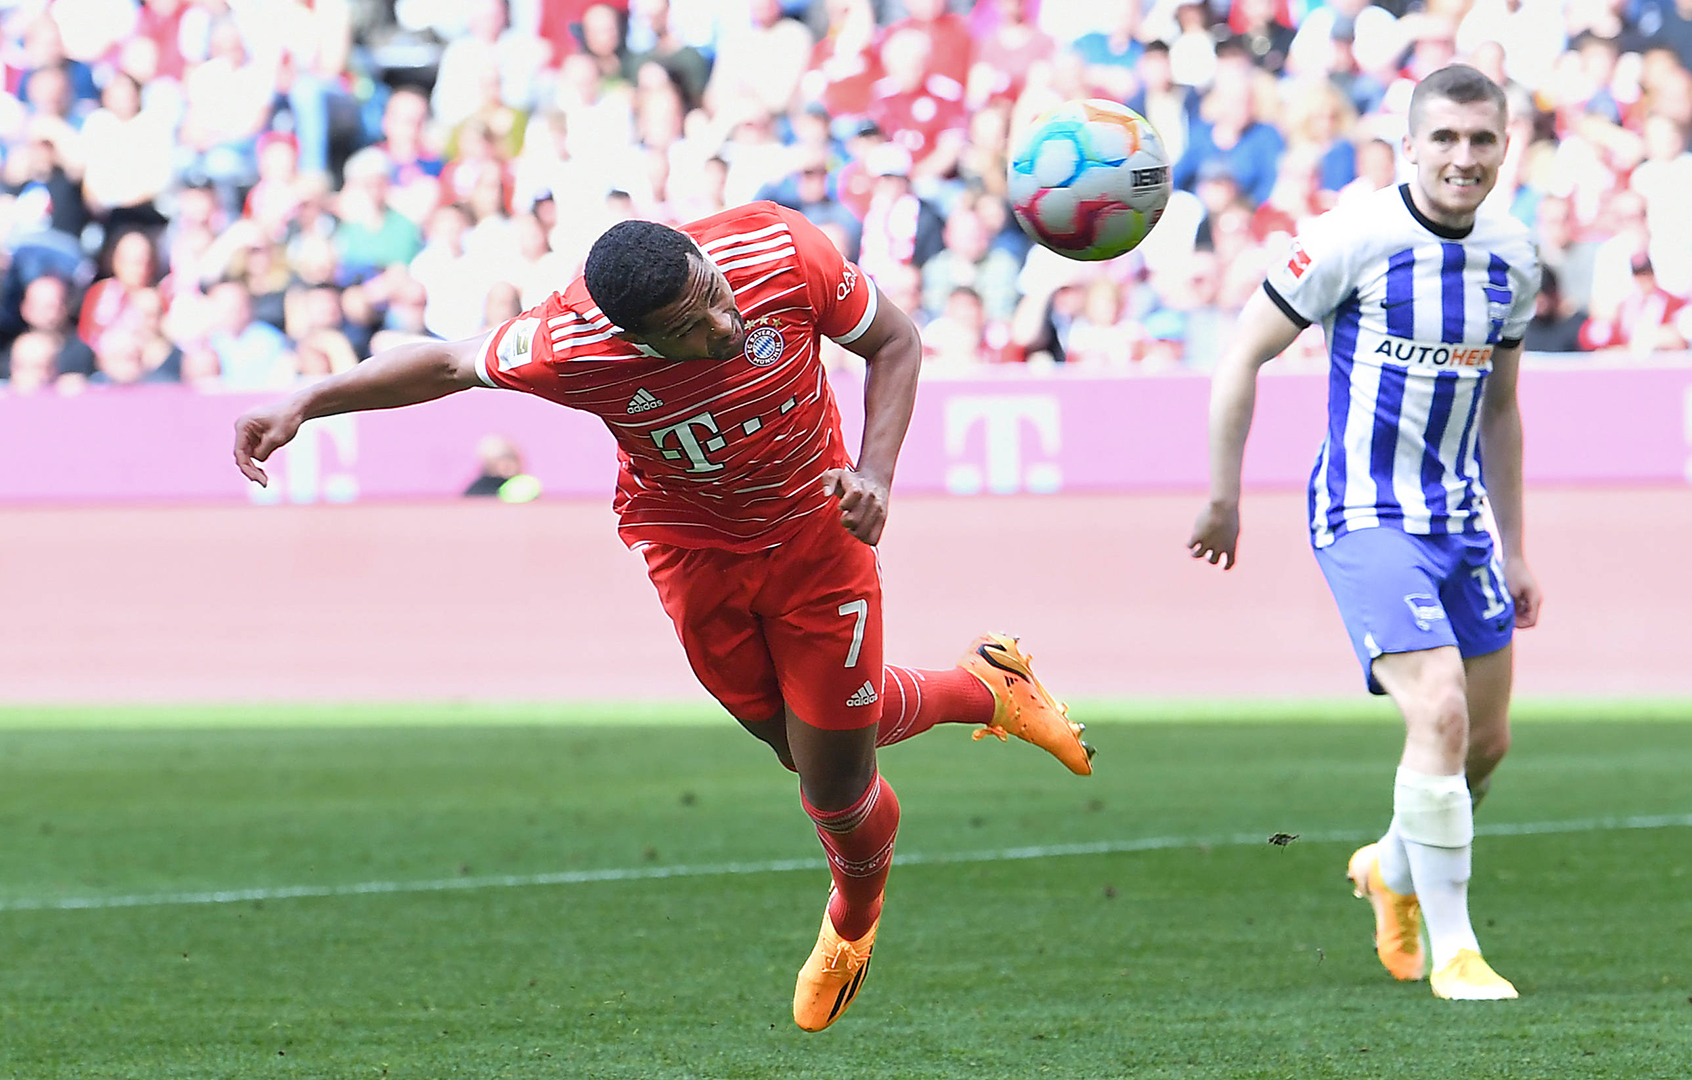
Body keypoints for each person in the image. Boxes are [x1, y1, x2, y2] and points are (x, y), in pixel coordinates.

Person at [232, 201, 1092, 1032]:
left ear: (704, 257)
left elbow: (896, 341)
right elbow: (449, 364)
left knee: (829, 783)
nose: (719, 328)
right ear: (630, 337)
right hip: (690, 555)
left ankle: (852, 923)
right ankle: (987, 687)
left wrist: (875, 474)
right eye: (686, 328)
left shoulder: (781, 252)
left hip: (816, 536)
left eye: (712, 296)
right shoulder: (567, 346)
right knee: (799, 745)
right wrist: (306, 400)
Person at [1188, 65, 1542, 1001]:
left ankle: (1389, 868)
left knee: (1486, 744)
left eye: (1481, 140)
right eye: (1446, 140)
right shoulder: (1353, 236)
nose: (1463, 158)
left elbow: (1502, 409)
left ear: (1504, 146)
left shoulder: (1515, 256)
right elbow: (1243, 353)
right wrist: (1224, 496)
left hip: (1462, 519)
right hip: (1364, 512)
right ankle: (1458, 951)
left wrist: (1514, 543)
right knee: (1440, 713)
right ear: (1410, 144)